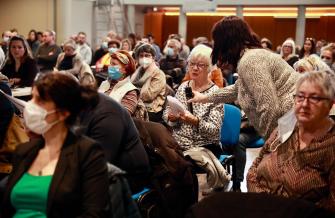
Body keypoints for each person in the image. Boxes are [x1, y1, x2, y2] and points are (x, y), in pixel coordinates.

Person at [1, 72, 109, 217]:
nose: (30, 106)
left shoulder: (87, 153)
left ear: (63, 113)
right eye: (32, 98)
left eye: (40, 101)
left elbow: (93, 213)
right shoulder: (24, 150)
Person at [189, 16, 301, 140]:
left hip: (293, 124)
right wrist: (205, 98)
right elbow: (238, 89)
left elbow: (269, 108)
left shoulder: (249, 61)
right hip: (293, 120)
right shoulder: (251, 56)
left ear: (226, 41)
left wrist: (271, 144)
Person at [247, 71, 335, 213]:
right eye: (300, 97)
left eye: (314, 98)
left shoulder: (330, 145)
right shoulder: (286, 127)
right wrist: (262, 203)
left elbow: (331, 204)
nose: (305, 104)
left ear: (330, 104)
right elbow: (254, 168)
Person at [163, 44, 229, 190]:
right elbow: (167, 113)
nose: (194, 68)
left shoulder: (215, 94)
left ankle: (191, 206)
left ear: (210, 68)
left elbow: (214, 131)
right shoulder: (183, 86)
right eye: (192, 64)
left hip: (203, 146)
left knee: (180, 168)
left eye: (200, 65)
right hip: (179, 144)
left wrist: (194, 121)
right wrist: (171, 117)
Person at [98, 50, 148, 120]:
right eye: (110, 63)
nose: (110, 66)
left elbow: (122, 118)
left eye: (114, 64)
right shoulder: (104, 83)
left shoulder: (130, 91)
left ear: (125, 70)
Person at [131, 43, 166, 123]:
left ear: (153, 57)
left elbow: (148, 96)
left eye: (147, 55)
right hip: (136, 104)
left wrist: (131, 94)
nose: (144, 58)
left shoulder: (158, 73)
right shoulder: (137, 72)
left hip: (152, 109)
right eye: (141, 55)